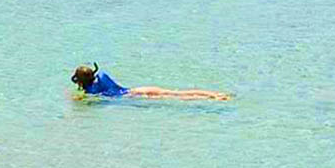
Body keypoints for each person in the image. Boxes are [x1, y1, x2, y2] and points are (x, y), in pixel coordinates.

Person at [70, 63, 231, 101]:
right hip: (135, 89)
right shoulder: (103, 76)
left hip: (130, 98)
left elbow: (86, 99)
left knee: (176, 97)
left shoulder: (91, 90)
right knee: (174, 93)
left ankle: (214, 97)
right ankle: (213, 94)